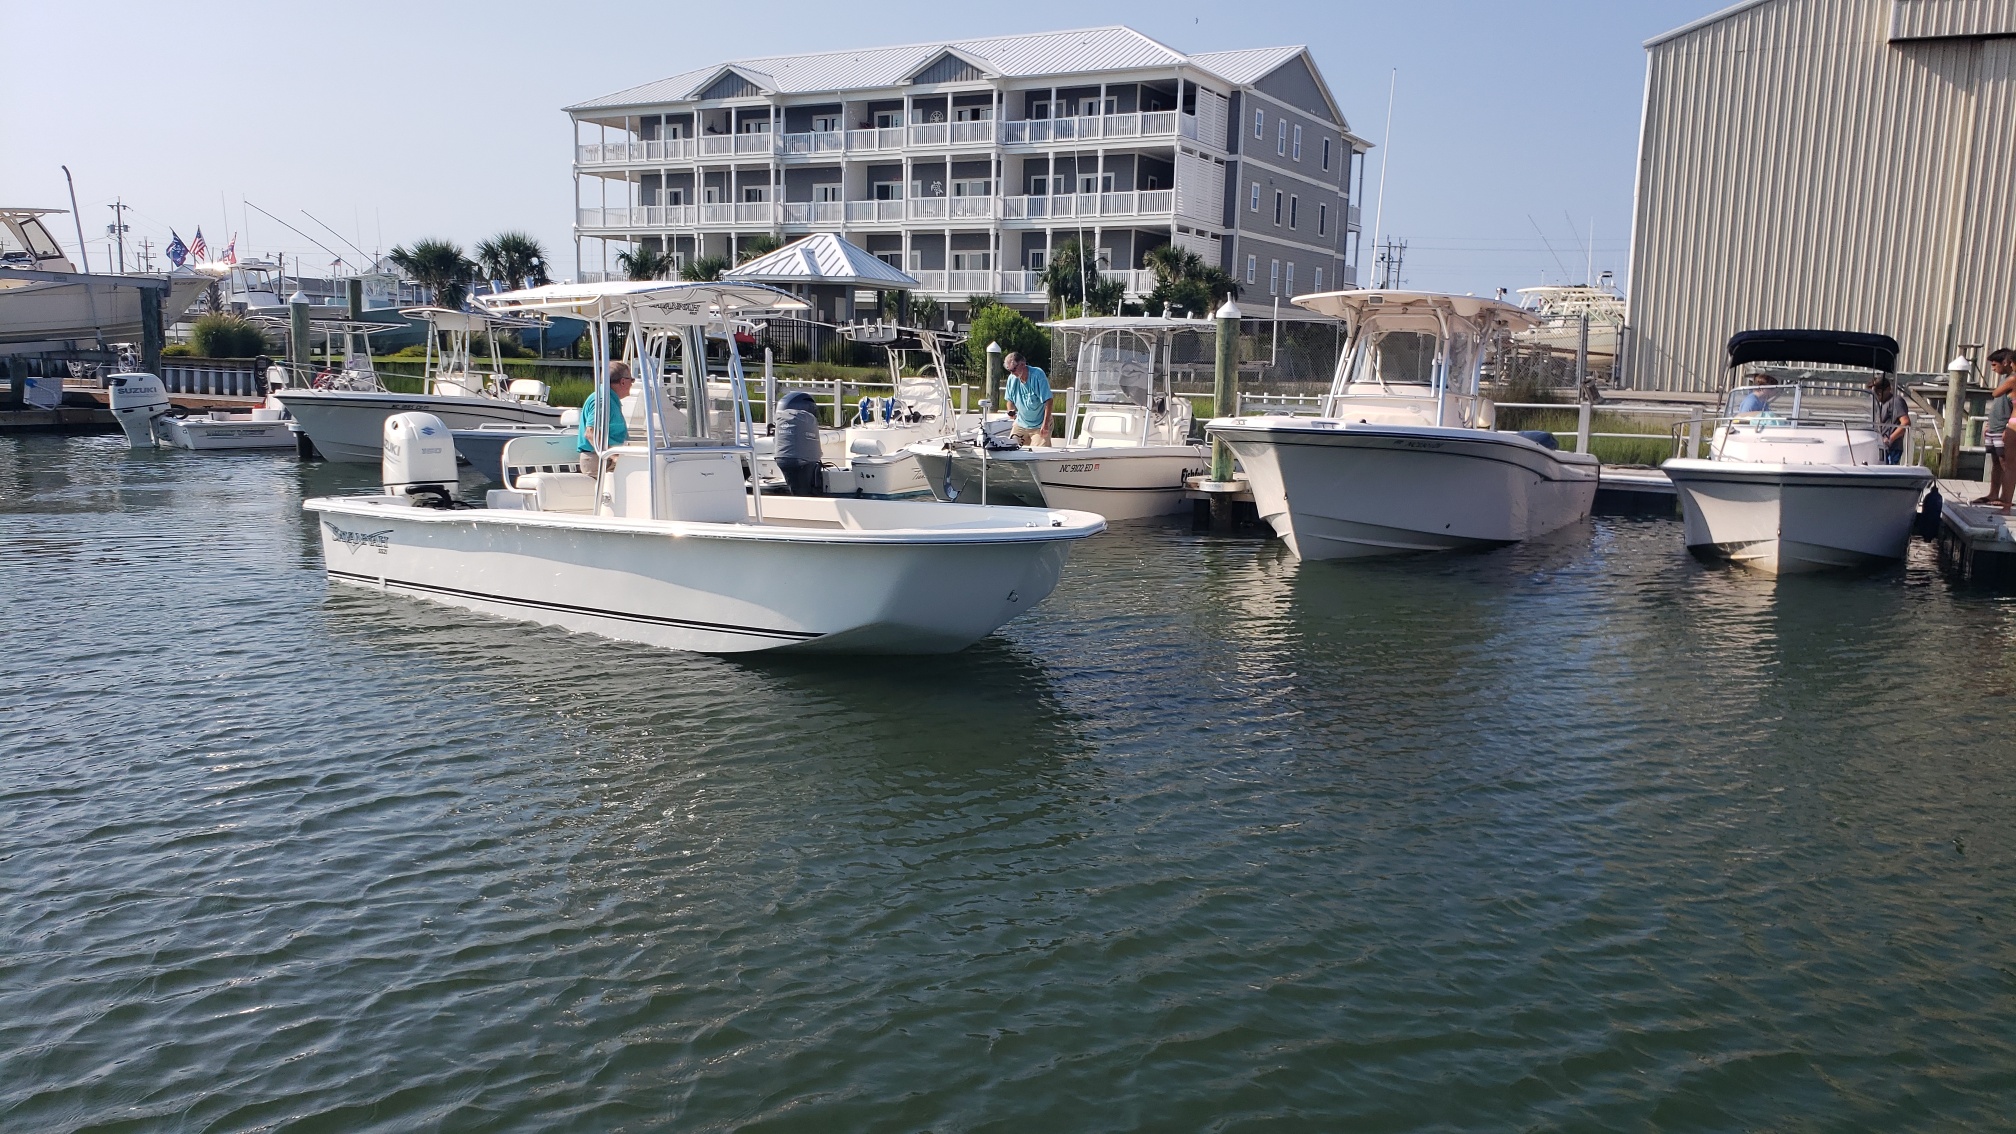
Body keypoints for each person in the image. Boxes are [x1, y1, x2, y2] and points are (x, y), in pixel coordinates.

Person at [577, 361, 633, 475]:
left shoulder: (608, 398)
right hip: (601, 461)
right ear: (623, 381)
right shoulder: (603, 400)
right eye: (631, 380)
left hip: (605, 459)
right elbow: (590, 432)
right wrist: (614, 456)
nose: (632, 384)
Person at [1983, 348, 2016, 506]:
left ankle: (2005, 498)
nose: (1993, 368)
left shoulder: (2012, 379)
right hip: (1996, 426)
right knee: (1996, 462)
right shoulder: (2007, 378)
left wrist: (2005, 429)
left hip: (2006, 426)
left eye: (1995, 364)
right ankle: (1994, 494)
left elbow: (1996, 394)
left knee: (2007, 464)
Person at [1003, 350, 1053, 447]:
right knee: (1010, 449)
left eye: (1014, 370)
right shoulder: (1011, 378)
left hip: (1040, 424)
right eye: (1010, 371)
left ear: (1023, 364)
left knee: (1039, 455)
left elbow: (1049, 401)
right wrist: (1011, 411)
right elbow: (1009, 400)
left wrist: (1045, 424)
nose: (1012, 373)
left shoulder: (1038, 375)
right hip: (1021, 423)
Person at [1868, 375, 1911, 465]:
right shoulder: (1880, 404)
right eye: (1875, 392)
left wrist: (1890, 439)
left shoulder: (1896, 401)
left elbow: (1905, 422)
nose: (1878, 395)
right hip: (1880, 446)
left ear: (1888, 389)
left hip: (1891, 448)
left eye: (1879, 392)